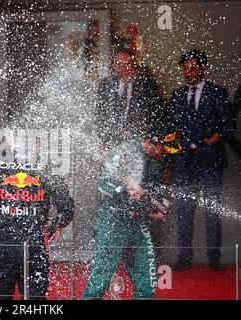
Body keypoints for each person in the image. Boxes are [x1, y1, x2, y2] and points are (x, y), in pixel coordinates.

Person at [167, 49, 236, 271]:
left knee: (211, 211)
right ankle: (184, 257)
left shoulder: (218, 92)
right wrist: (171, 153)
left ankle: (213, 259)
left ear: (203, 69)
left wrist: (215, 137)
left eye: (193, 68)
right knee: (184, 211)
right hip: (184, 162)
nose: (188, 72)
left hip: (209, 160)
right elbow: (169, 127)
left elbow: (229, 125)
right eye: (185, 68)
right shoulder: (177, 95)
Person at [82, 136, 170, 300]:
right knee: (101, 275)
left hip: (138, 222)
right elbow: (103, 183)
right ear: (151, 142)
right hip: (113, 220)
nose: (164, 153)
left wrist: (159, 204)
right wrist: (125, 188)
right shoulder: (124, 152)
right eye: (162, 148)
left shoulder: (155, 160)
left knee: (146, 277)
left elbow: (155, 189)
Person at [0, 158, 74, 300]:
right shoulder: (47, 168)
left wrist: (5, 210)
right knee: (35, 297)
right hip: (35, 244)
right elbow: (66, 209)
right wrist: (56, 225)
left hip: (4, 243)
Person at [96, 37, 165, 154]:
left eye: (128, 64)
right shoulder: (105, 85)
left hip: (139, 144)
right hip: (111, 145)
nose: (125, 69)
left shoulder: (147, 85)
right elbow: (100, 117)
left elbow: (156, 115)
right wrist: (106, 142)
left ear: (134, 66)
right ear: (114, 68)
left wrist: (150, 141)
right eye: (120, 65)